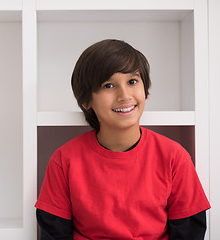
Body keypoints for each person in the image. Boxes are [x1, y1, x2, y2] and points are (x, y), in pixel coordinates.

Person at [35, 39, 211, 240]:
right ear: (85, 100)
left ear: (146, 90)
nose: (124, 95)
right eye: (108, 85)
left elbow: (190, 231)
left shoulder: (174, 157)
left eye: (132, 82)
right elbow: (53, 232)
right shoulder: (64, 160)